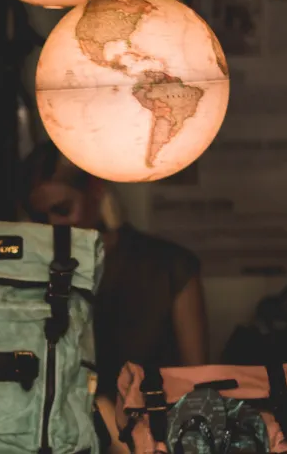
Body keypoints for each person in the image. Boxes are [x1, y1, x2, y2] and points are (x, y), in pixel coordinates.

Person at [20, 141, 210, 444]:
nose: (53, 226)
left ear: (96, 190)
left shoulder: (168, 266)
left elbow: (196, 381)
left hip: (153, 435)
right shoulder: (28, 272)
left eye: (62, 209)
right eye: (39, 218)